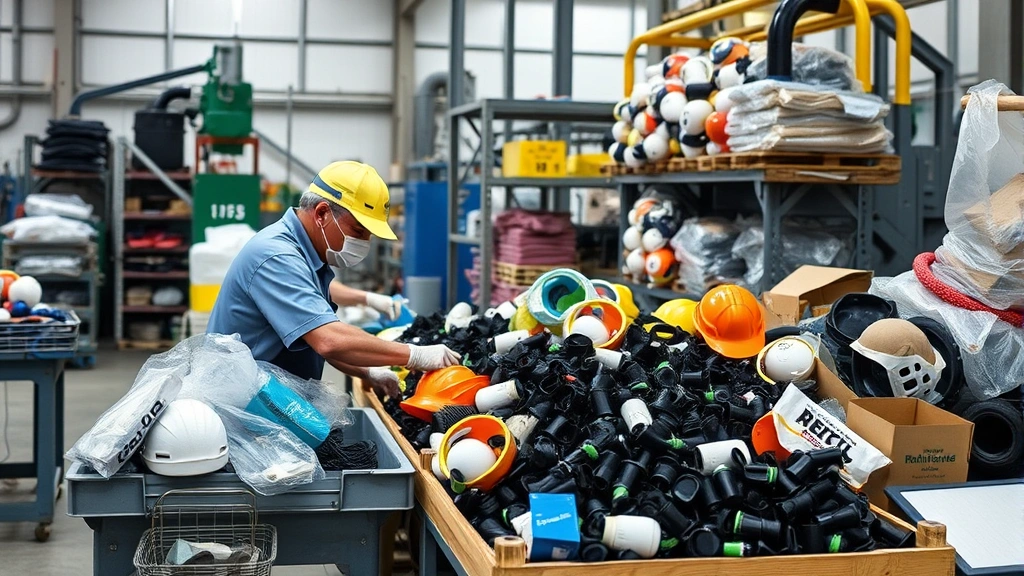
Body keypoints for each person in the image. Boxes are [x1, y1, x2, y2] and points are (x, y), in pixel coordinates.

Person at [207, 161, 459, 397]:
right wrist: (413, 354)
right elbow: (328, 339)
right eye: (358, 231)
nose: (363, 243)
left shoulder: (306, 255)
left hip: (266, 400)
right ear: (322, 213)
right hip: (241, 407)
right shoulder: (276, 256)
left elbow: (312, 334)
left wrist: (367, 370)